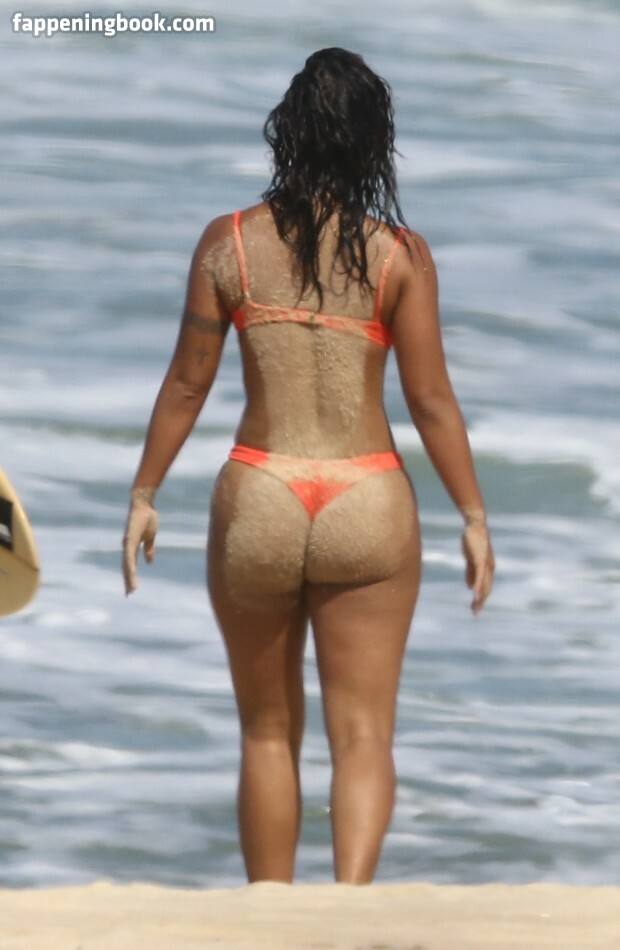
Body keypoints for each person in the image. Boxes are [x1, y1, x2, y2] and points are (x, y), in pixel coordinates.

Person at [122, 47, 494, 885]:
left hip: (260, 489)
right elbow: (431, 400)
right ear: (373, 143)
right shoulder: (399, 256)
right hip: (367, 492)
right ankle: (348, 912)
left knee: (265, 732)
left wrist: (145, 494)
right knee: (363, 736)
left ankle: (270, 917)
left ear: (286, 133)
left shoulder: (230, 243)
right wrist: (473, 516)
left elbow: (187, 383)